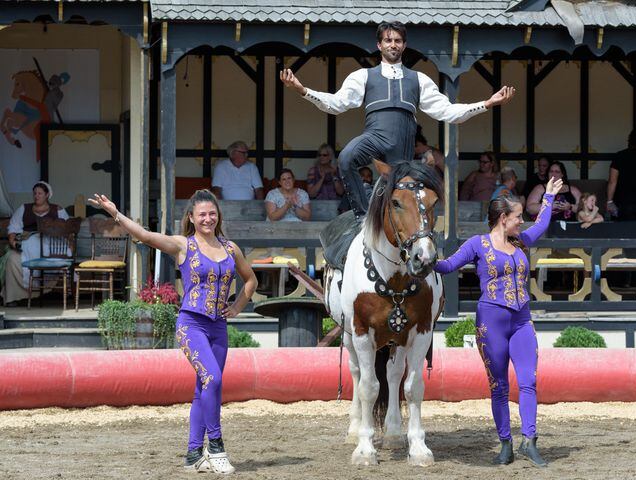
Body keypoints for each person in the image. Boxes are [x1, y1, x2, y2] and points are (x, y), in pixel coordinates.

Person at [89, 189, 258, 474]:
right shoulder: (183, 245)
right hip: (191, 323)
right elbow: (144, 236)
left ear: (218, 216)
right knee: (212, 378)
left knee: (203, 388)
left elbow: (251, 279)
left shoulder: (231, 248)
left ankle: (193, 454)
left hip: (218, 326)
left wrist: (238, 305)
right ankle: (215, 447)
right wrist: (115, 214)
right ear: (191, 218)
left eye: (212, 213)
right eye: (202, 214)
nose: (208, 218)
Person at [280, 21, 514, 218]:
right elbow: (336, 104)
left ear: (404, 45)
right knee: (347, 158)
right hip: (374, 136)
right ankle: (362, 215)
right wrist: (303, 90)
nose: (393, 44)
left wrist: (487, 104)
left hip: (402, 146)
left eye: (398, 40)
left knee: (404, 197)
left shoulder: (419, 79)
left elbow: (448, 112)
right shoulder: (363, 76)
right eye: (388, 40)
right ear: (379, 45)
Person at [434, 176, 563, 467]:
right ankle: (505, 443)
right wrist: (423, 258)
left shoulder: (520, 240)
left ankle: (529, 440)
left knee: (529, 380)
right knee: (499, 386)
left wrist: (550, 198)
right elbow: (448, 265)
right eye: (518, 217)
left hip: (521, 320)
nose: (522, 221)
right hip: (491, 323)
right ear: (503, 218)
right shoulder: (477, 245)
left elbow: (541, 225)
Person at [1, 181, 69, 306]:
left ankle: (40, 288)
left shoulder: (57, 210)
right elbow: (13, 228)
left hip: (50, 247)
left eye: (40, 193)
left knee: (50, 256)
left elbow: (67, 229)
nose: (36, 196)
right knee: (11, 258)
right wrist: (13, 242)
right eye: (35, 193)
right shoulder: (24, 208)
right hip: (27, 245)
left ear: (47, 195)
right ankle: (13, 297)